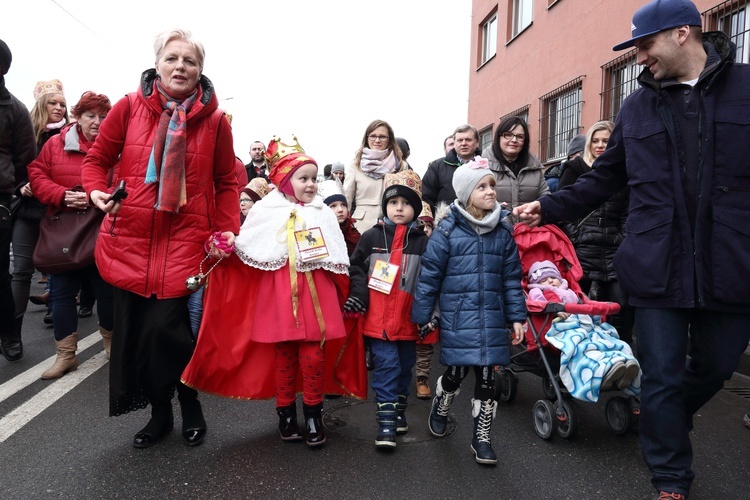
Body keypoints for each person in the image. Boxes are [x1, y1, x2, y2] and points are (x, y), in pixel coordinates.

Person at [512, 1, 750, 497]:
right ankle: (669, 477)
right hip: (656, 261)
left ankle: (667, 418)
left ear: (682, 33)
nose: (639, 56)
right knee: (659, 375)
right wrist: (549, 208)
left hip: (731, 259)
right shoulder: (637, 105)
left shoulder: (746, 89)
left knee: (716, 366)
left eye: (644, 44)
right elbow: (607, 176)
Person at [82, 29, 239, 449]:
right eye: (172, 59)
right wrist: (97, 190)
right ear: (157, 64)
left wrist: (226, 229)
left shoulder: (217, 122)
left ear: (201, 71)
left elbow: (226, 182)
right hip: (129, 243)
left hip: (187, 246)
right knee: (138, 337)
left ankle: (190, 403)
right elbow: (97, 160)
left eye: (189, 61)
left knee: (170, 333)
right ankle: (159, 413)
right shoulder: (130, 107)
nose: (180, 67)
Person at [183, 136, 366, 448]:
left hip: (315, 290)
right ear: (284, 180)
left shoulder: (321, 211)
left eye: (312, 179)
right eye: (303, 178)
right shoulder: (266, 210)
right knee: (283, 352)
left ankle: (312, 412)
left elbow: (337, 257)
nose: (310, 185)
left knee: (313, 351)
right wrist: (221, 246)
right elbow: (246, 247)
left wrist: (344, 291)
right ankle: (284, 412)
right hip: (279, 290)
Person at [412, 157, 525, 465]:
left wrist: (516, 317)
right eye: (483, 187)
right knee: (456, 373)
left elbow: (511, 279)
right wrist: (422, 316)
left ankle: (482, 437)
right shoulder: (447, 231)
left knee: (488, 379)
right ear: (465, 193)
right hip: (459, 317)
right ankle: (442, 401)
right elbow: (430, 276)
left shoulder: (502, 232)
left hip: (492, 315)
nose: (491, 191)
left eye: (492, 185)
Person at [28, 91, 115, 379]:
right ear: (77, 116)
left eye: (103, 117)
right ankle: (66, 355)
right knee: (62, 294)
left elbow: (128, 178)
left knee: (107, 293)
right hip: (64, 233)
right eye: (91, 116)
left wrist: (101, 195)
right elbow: (37, 177)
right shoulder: (55, 145)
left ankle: (111, 347)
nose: (98, 122)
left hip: (102, 232)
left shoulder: (116, 147)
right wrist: (62, 195)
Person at [346, 169, 429, 448]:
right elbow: (355, 267)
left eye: (406, 204)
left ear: (415, 208)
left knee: (404, 367)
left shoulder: (422, 242)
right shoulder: (371, 237)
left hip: (409, 319)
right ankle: (385, 425)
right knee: (387, 366)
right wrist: (359, 294)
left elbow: (430, 280)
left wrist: (429, 313)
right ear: (385, 206)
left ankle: (399, 413)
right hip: (378, 319)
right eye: (393, 203)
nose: (399, 208)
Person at [557, 121, 634, 345]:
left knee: (622, 307)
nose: (600, 145)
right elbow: (564, 207)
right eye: (596, 141)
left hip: (613, 248)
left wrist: (623, 238)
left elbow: (627, 211)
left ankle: (622, 355)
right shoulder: (576, 168)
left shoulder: (623, 172)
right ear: (588, 143)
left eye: (606, 141)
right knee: (578, 306)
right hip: (583, 249)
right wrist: (576, 237)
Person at [526, 260, 640, 399]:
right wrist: (554, 311)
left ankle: (621, 362)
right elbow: (537, 305)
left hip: (583, 324)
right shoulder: (537, 292)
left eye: (553, 277)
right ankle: (599, 371)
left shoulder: (570, 291)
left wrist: (593, 313)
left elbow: (584, 304)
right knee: (582, 347)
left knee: (607, 339)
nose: (550, 281)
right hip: (562, 327)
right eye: (544, 279)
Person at [0, 39, 36, 362]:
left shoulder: (16, 110)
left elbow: (27, 160)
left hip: (1, 200)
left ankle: (9, 331)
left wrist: (18, 188)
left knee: (1, 273)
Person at [24, 79, 70, 327]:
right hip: (30, 202)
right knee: (24, 264)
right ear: (41, 104)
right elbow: (23, 162)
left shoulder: (69, 132)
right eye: (53, 102)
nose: (59, 108)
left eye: (62, 103)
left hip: (57, 202)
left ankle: (56, 298)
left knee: (58, 252)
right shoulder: (29, 133)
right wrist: (24, 183)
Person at [344, 119, 409, 232]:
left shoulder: (401, 166)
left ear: (389, 139)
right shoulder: (355, 165)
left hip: (392, 225)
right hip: (361, 226)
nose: (377, 140)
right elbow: (347, 199)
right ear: (367, 138)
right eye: (373, 136)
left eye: (382, 137)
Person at [483, 116, 549, 216]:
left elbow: (545, 198)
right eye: (508, 135)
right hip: (494, 228)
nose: (514, 140)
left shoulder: (534, 167)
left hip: (528, 228)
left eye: (520, 136)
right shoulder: (483, 166)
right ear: (498, 137)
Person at [422, 124, 481, 213]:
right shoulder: (437, 166)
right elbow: (426, 197)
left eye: (468, 140)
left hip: (479, 222)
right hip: (446, 223)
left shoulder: (486, 165)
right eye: (460, 140)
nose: (464, 143)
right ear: (455, 143)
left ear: (477, 143)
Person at [414, 200, 437, 399]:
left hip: (428, 304)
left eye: (429, 226)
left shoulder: (437, 250)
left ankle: (422, 376)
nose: (426, 230)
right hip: (408, 302)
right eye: (422, 225)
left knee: (424, 344)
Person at [318, 178, 360, 256]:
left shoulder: (354, 234)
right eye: (333, 206)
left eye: (343, 205)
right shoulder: (320, 234)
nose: (340, 210)